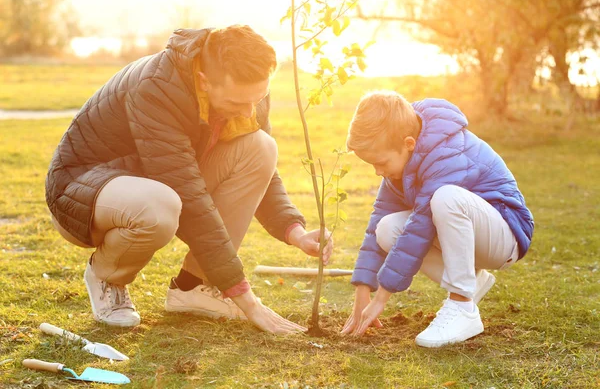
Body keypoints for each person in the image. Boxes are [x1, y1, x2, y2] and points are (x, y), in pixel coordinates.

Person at [44, 25, 332, 334]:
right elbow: (190, 198)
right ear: (204, 81)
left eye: (258, 99)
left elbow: (259, 171)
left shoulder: (246, 89)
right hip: (83, 192)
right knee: (159, 207)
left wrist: (295, 231)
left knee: (261, 146)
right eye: (239, 103)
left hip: (157, 184)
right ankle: (108, 276)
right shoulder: (156, 89)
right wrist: (248, 301)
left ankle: (193, 287)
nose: (250, 111)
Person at [340, 91, 534, 347]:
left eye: (381, 162)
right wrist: (363, 292)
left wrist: (381, 299)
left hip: (505, 234)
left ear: (409, 143)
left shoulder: (446, 152)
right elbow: (378, 220)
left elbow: (419, 229)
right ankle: (472, 282)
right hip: (470, 236)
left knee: (445, 198)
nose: (378, 172)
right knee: (387, 229)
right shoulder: (400, 163)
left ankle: (462, 306)